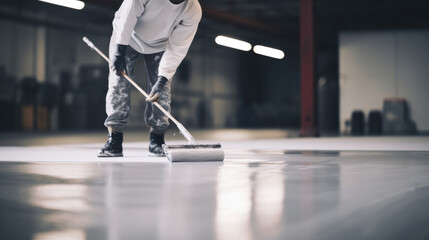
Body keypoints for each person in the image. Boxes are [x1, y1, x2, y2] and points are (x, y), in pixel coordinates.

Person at [98, 0, 202, 157]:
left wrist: (162, 80)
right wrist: (119, 51)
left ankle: (157, 140)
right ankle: (115, 139)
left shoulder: (192, 9)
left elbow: (178, 48)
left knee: (162, 92)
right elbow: (127, 16)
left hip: (160, 45)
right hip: (127, 36)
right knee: (118, 83)